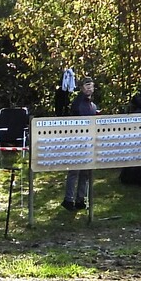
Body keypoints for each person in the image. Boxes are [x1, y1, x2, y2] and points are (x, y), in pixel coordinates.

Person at [62, 78, 99, 211]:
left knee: (86, 172)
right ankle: (68, 200)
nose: (89, 88)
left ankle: (80, 199)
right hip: (77, 141)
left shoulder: (93, 105)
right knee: (74, 171)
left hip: (89, 142)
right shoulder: (78, 103)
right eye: (86, 86)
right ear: (82, 88)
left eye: (91, 86)